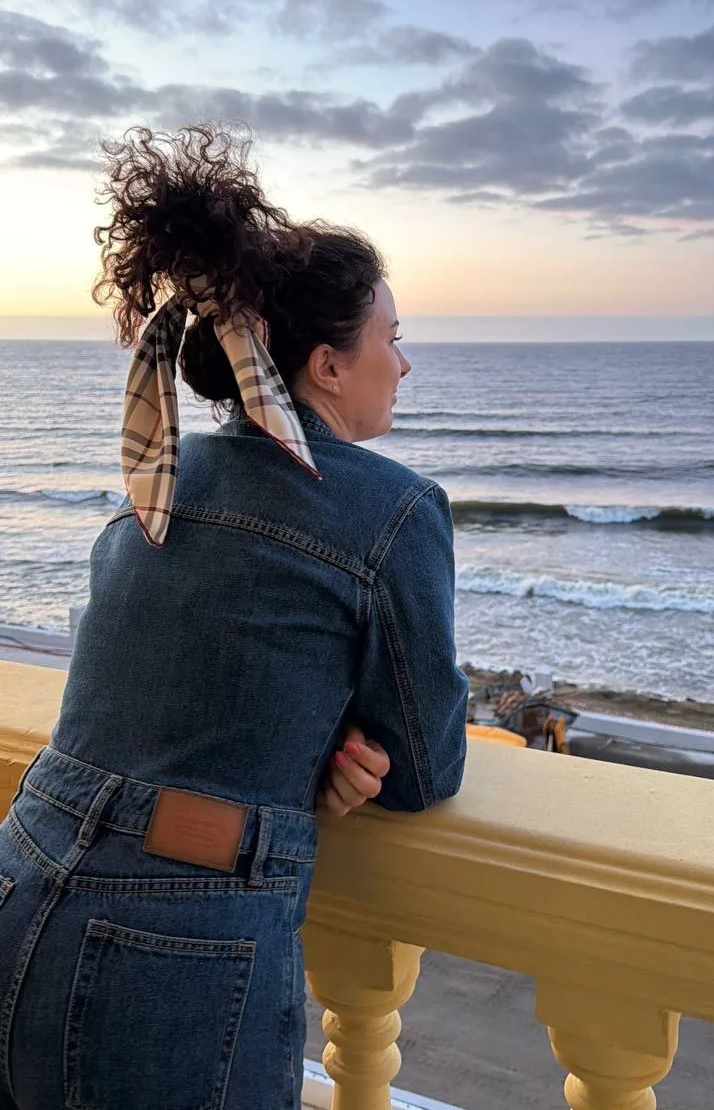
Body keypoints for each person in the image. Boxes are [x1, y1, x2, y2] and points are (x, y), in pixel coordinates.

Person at [0, 125, 468, 1109]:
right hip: (173, 943)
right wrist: (337, 744)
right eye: (391, 338)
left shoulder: (156, 481)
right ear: (328, 365)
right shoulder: (392, 508)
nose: (405, 363)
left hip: (20, 870)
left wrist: (298, 720)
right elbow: (426, 769)